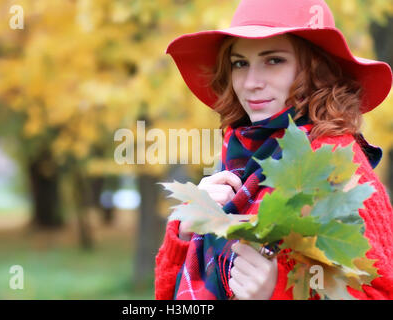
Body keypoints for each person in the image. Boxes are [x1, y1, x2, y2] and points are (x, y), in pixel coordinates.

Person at [155, 0, 393, 300]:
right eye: (240, 63)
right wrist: (186, 230)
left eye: (274, 60)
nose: (251, 82)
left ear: (315, 69)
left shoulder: (338, 164)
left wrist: (278, 290)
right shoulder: (238, 160)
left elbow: (379, 293)